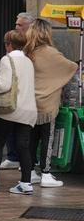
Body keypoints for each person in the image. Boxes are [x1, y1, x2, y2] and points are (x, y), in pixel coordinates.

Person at [0, 29, 36, 193]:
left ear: (9, 45)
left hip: (9, 110)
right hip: (28, 110)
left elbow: (2, 85)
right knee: (23, 147)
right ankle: (25, 183)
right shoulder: (29, 61)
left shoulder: (7, 60)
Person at [24, 19, 77, 189]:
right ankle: (46, 173)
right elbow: (71, 67)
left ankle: (30, 171)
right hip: (47, 106)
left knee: (31, 139)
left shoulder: (28, 52)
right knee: (48, 139)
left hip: (30, 104)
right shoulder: (52, 53)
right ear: (47, 33)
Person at [0, 12, 40, 171]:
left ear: (30, 26)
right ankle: (12, 157)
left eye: (20, 24)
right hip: (14, 93)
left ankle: (28, 164)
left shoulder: (33, 45)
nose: (16, 27)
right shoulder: (16, 42)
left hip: (27, 92)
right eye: (16, 24)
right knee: (11, 126)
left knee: (25, 134)